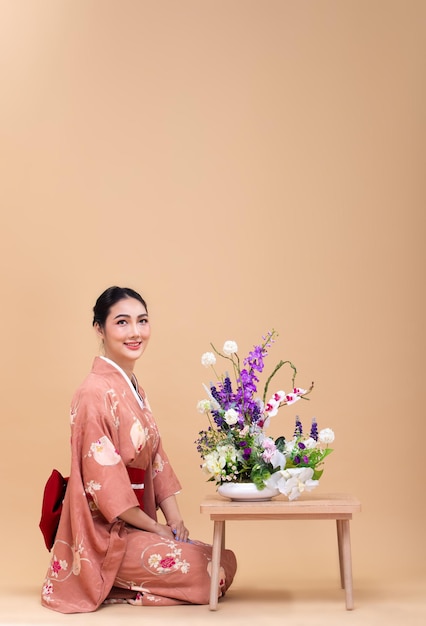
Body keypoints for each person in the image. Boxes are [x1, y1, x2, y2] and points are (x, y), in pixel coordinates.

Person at [41, 286, 237, 613]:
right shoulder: (93, 392)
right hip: (105, 535)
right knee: (208, 573)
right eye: (122, 322)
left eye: (142, 321)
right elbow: (107, 489)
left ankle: (128, 582)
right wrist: (158, 528)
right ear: (99, 329)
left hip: (135, 525)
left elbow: (156, 459)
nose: (135, 332)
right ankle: (109, 581)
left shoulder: (133, 388)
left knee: (221, 557)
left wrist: (174, 521)